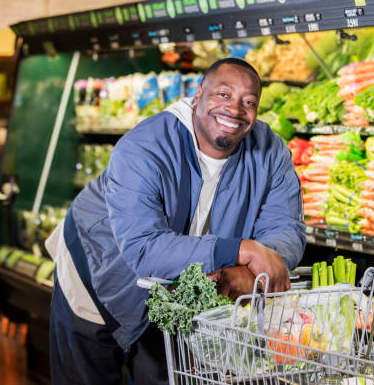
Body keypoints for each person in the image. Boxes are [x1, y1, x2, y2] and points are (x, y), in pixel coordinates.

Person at [46, 58, 305, 384]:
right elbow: (144, 250)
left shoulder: (271, 151)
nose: (235, 109)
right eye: (223, 94)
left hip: (174, 287)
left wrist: (250, 265)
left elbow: (286, 225)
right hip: (98, 268)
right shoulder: (145, 146)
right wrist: (242, 251)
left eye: (248, 101)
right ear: (197, 97)